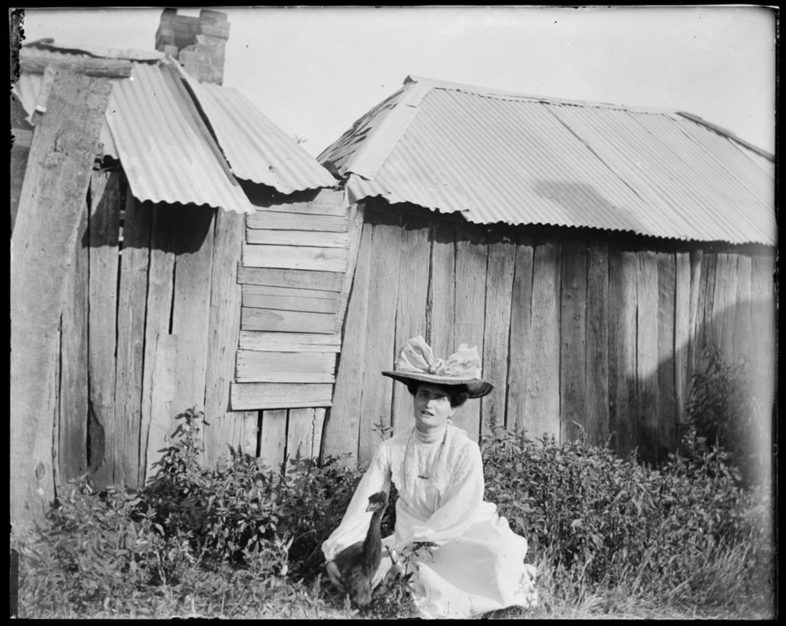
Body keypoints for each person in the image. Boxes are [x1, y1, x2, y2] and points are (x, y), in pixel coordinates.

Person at [322, 336, 538, 619]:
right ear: (414, 398)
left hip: (462, 532)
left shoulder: (465, 450)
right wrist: (336, 550)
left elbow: (457, 512)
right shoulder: (392, 449)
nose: (429, 404)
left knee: (498, 556)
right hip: (410, 532)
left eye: (440, 398)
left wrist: (403, 552)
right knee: (368, 571)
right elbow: (367, 502)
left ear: (452, 408)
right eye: (424, 394)